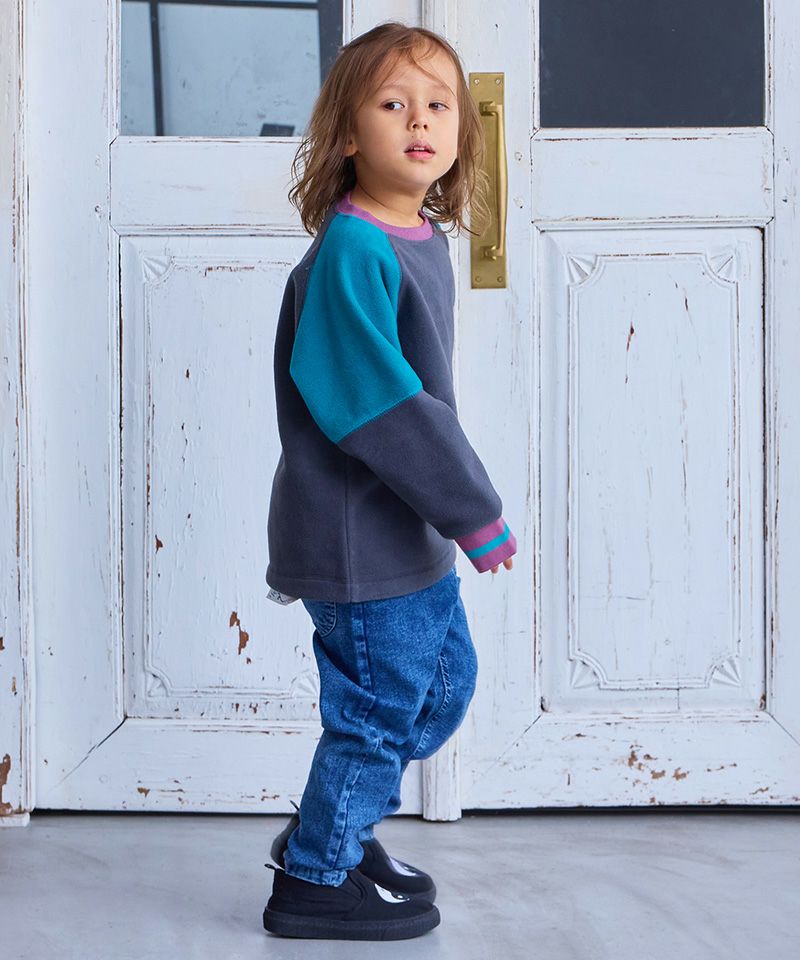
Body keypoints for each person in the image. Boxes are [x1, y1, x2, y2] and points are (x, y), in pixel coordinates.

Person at [262, 20, 517, 941]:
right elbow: (380, 406)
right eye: (393, 102)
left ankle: (333, 823)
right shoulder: (354, 252)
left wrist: (446, 514)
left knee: (441, 686)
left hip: (404, 527)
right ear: (345, 133)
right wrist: (473, 509)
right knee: (376, 714)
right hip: (356, 534)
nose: (420, 120)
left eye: (438, 104)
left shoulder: (417, 237)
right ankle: (314, 881)